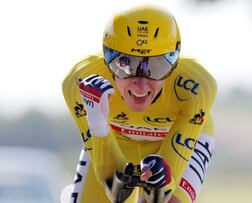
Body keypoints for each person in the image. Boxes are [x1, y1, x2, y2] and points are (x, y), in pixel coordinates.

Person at [61, 4, 217, 203]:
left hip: (171, 136)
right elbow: (114, 188)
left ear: (174, 62)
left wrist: (161, 183)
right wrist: (99, 125)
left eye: (157, 67)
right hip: (113, 140)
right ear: (108, 59)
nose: (141, 85)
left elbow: (162, 195)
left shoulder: (196, 87)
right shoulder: (79, 83)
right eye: (126, 65)